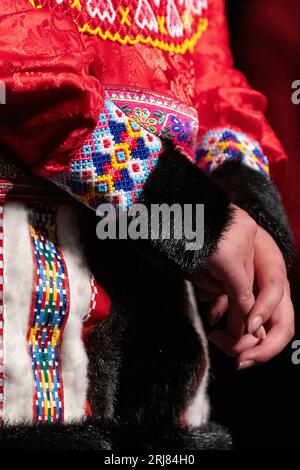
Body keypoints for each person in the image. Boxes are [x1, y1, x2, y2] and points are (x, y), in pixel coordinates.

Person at [0, 0, 294, 448]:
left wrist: (249, 222)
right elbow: (17, 65)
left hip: (168, 292)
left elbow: (213, 82)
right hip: (31, 263)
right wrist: (194, 217)